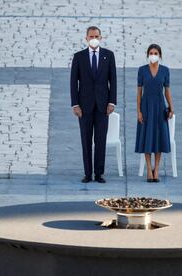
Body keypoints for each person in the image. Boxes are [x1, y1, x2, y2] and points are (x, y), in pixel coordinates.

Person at [70, 26, 117, 183]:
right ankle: (87, 173)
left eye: (96, 36)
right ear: (86, 38)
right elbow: (73, 82)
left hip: (103, 106)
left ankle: (99, 173)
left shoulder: (108, 56)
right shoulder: (79, 57)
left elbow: (113, 80)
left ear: (101, 37)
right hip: (84, 107)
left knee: (100, 140)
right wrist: (75, 105)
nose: (94, 38)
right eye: (91, 36)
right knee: (86, 140)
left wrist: (112, 102)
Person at [135, 44, 174, 182]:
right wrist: (138, 111)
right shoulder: (142, 70)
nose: (153, 55)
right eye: (151, 53)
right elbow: (139, 92)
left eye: (155, 53)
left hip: (159, 106)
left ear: (160, 55)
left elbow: (167, 91)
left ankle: (156, 169)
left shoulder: (165, 71)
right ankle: (148, 169)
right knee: (147, 136)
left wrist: (171, 107)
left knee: (158, 137)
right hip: (146, 105)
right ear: (147, 55)